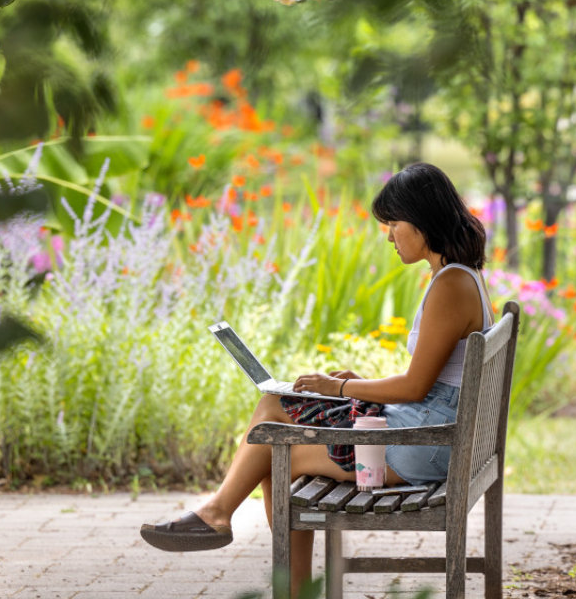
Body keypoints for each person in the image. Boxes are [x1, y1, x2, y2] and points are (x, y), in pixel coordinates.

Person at [139, 162, 494, 596]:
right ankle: (224, 519)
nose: (388, 236)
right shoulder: (458, 276)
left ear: (421, 222)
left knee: (274, 448)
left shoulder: (449, 285)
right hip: (429, 429)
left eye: (394, 224)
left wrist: (340, 388)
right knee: (274, 410)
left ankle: (239, 536)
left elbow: (415, 389)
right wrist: (358, 384)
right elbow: (431, 384)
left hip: (424, 446)